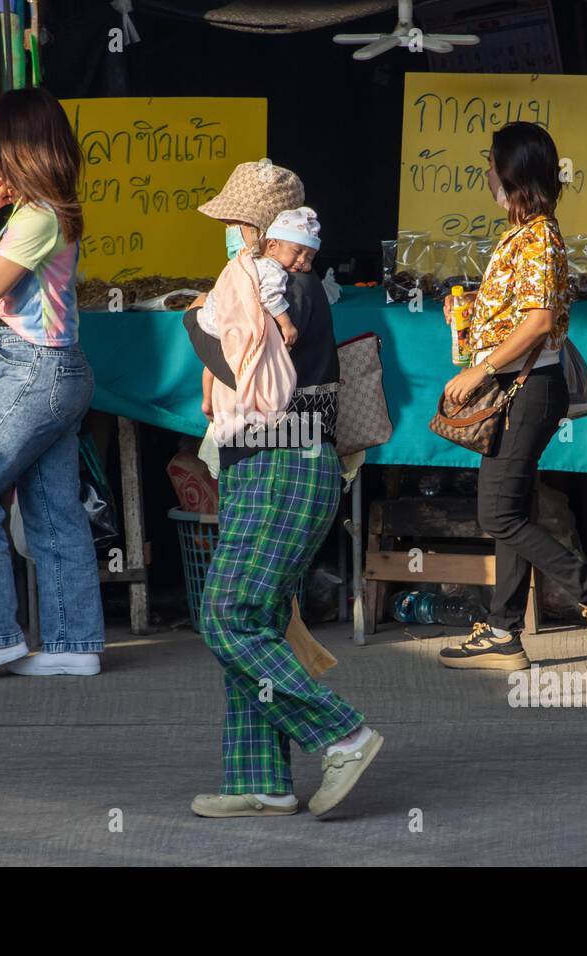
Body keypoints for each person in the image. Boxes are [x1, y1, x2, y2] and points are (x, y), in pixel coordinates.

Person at [182, 160, 382, 818]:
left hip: (278, 466)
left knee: (227, 615)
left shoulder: (277, 286)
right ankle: (257, 779)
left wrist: (195, 325)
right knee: (259, 621)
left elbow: (236, 364)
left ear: (257, 229)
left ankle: (342, 734)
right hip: (282, 464)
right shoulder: (297, 283)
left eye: (235, 223)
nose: (231, 234)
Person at [437, 121, 587, 671]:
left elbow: (539, 321)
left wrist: (480, 368)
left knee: (498, 514)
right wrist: (477, 312)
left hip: (525, 389)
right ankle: (503, 631)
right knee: (512, 508)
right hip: (523, 387)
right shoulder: (526, 235)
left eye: (491, 166)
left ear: (511, 175)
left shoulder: (538, 237)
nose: (486, 175)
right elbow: (524, 311)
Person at [0, 87, 105, 679]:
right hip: (57, 369)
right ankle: (73, 645)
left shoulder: (34, 217)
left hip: (35, 371)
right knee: (54, 509)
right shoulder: (53, 209)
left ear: (18, 149)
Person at [197, 206, 321, 421]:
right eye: (297, 252)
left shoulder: (256, 263)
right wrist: (286, 324)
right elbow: (269, 297)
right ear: (272, 245)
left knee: (211, 364)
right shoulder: (272, 270)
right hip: (224, 321)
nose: (302, 261)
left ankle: (207, 401)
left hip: (210, 316)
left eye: (309, 257)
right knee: (226, 360)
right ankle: (212, 403)